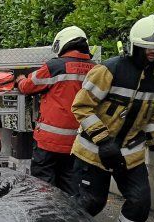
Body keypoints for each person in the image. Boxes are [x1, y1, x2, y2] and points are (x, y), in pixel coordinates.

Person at [72, 14, 154, 222]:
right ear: (134, 46)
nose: (153, 54)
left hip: (131, 153)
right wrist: (104, 140)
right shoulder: (109, 70)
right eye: (148, 48)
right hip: (93, 151)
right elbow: (82, 106)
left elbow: (150, 116)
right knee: (91, 202)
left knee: (140, 202)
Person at [16, 26, 96, 195]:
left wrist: (21, 79)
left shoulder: (55, 66)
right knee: (71, 191)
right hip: (78, 144)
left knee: (43, 191)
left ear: (63, 44)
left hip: (49, 143)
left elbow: (28, 87)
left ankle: (46, 221)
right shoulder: (96, 69)